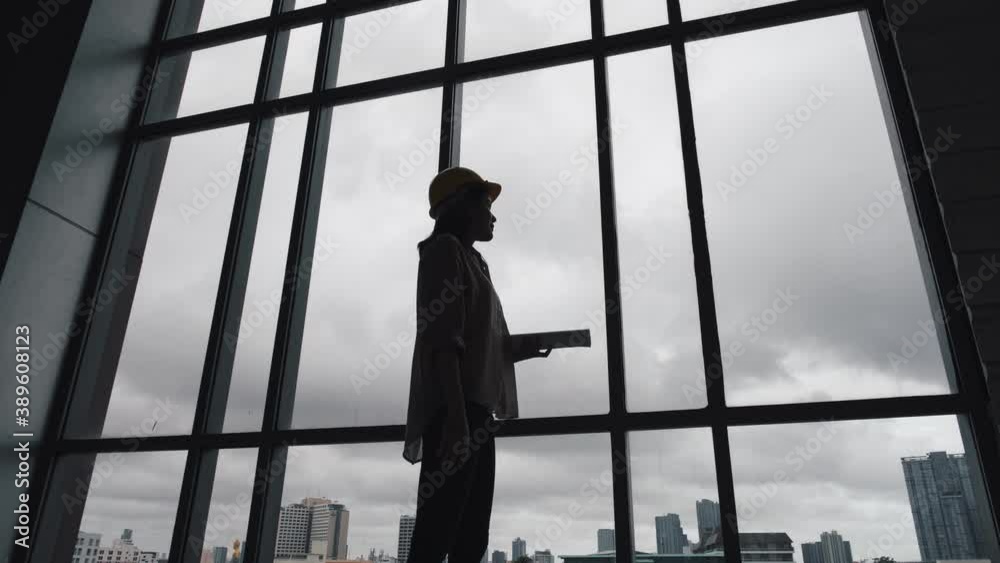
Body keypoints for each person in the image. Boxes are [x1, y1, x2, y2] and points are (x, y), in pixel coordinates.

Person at [403, 166, 553, 563]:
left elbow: (478, 343)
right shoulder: (444, 252)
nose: (494, 215)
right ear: (460, 207)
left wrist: (525, 348)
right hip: (459, 409)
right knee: (441, 530)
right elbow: (443, 342)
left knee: (469, 533)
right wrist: (455, 419)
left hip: (475, 411)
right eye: (487, 204)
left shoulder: (474, 262)